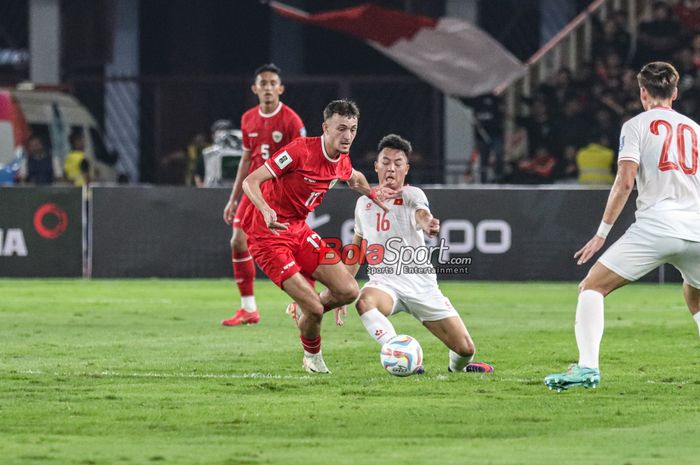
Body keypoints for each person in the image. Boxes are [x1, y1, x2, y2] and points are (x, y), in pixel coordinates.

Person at [545, 62, 700, 391]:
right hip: (697, 227)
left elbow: (625, 181)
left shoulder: (636, 126)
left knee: (592, 287)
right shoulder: (695, 129)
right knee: (696, 297)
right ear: (674, 93)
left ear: (643, 92)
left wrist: (602, 233)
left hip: (659, 224)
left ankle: (587, 367)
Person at [241, 99, 398, 373]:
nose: (347, 136)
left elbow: (355, 178)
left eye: (352, 129)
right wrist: (265, 209)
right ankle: (312, 358)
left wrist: (372, 193)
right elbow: (250, 180)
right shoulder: (299, 151)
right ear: (326, 127)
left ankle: (304, 309)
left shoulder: (341, 161)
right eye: (341, 128)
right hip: (268, 234)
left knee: (349, 290)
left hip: (299, 230)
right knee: (314, 309)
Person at [326, 134, 493, 373]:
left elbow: (421, 214)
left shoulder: (412, 195)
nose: (390, 168)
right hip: (385, 283)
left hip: (421, 285)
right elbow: (357, 247)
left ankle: (458, 369)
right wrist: (342, 289)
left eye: (397, 163)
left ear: (406, 168)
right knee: (364, 302)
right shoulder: (363, 203)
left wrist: (428, 224)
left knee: (465, 349)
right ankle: (397, 353)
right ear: (376, 166)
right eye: (385, 162)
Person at [221, 63, 306, 327]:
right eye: (263, 83)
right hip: (254, 189)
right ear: (255, 89)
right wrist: (233, 198)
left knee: (289, 247)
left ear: (280, 88)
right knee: (237, 241)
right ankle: (248, 308)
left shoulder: (292, 120)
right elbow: (246, 159)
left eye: (272, 83)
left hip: (281, 193)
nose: (268, 88)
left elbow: (302, 158)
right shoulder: (248, 119)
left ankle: (305, 299)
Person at [196, 120, 243, 187]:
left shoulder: (243, 153)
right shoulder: (208, 154)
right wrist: (202, 191)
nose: (223, 137)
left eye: (226, 134)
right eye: (219, 134)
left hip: (235, 189)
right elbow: (198, 175)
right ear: (213, 136)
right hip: (212, 190)